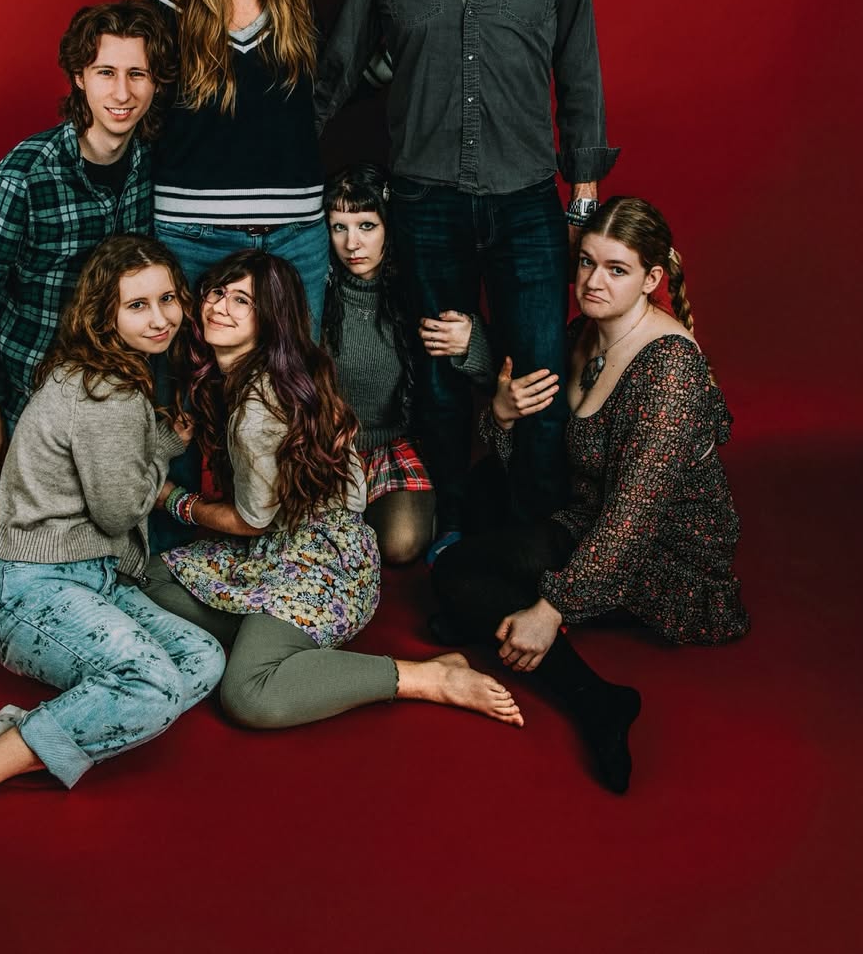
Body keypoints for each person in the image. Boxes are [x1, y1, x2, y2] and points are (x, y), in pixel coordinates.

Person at [314, 0, 620, 545]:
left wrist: (583, 201)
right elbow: (338, 70)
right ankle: (449, 530)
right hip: (424, 200)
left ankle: (539, 532)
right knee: (441, 378)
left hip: (528, 199)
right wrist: (261, 141)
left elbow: (580, 75)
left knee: (539, 372)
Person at [0, 236, 225, 846]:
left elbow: (117, 456)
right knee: (154, 686)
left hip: (94, 579)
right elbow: (121, 508)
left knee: (203, 659)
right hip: (32, 594)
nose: (160, 318)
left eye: (168, 298)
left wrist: (166, 439)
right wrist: (163, 462)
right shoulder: (108, 393)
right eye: (138, 305)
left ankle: (18, 731)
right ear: (105, 315)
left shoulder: (106, 373)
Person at [430, 198, 750, 792]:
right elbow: (541, 450)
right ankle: (488, 611)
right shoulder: (584, 333)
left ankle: (598, 701)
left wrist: (551, 610)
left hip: (658, 551)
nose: (592, 282)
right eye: (586, 263)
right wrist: (502, 414)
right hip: (584, 513)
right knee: (477, 494)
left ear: (652, 279)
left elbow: (633, 519)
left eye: (616, 269)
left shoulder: (669, 371)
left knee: (456, 575)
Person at [145, 250, 524, 729]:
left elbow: (252, 520)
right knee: (149, 576)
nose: (220, 307)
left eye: (242, 300)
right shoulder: (281, 375)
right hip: (277, 551)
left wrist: (173, 500)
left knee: (248, 694)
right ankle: (272, 639)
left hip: (322, 566)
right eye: (217, 292)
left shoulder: (257, 409)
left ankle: (426, 676)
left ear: (270, 319)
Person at [0, 0, 174, 583]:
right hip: (29, 387)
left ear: (155, 83)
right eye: (106, 72)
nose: (122, 92)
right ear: (79, 77)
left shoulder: (152, 165)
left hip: (114, 388)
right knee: (8, 552)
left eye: (137, 73)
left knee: (107, 539)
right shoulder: (25, 175)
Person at [148, 0, 328, 334]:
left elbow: (344, 85)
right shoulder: (164, 11)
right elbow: (132, 112)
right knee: (188, 380)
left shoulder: (306, 12)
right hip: (190, 238)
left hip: (297, 239)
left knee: (296, 381)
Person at [322, 163, 435, 564]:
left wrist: (469, 340)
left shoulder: (413, 289)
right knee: (325, 549)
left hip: (392, 442)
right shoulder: (318, 292)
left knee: (400, 545)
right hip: (329, 448)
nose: (352, 243)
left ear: (389, 225)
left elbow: (486, 368)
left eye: (366, 226)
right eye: (339, 227)